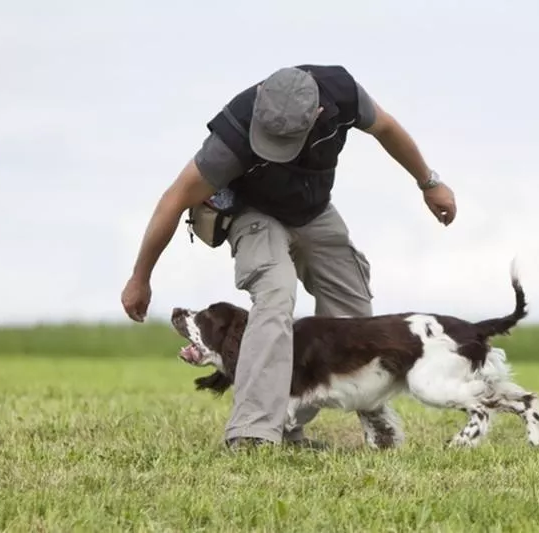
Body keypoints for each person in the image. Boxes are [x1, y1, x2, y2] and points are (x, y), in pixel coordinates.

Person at [120, 64, 457, 450]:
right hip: (255, 214)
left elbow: (387, 128)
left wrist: (429, 183)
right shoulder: (231, 137)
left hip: (313, 210)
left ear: (316, 115)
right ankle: (253, 431)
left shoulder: (342, 91)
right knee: (276, 295)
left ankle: (314, 418)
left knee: (353, 318)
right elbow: (174, 200)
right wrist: (140, 277)